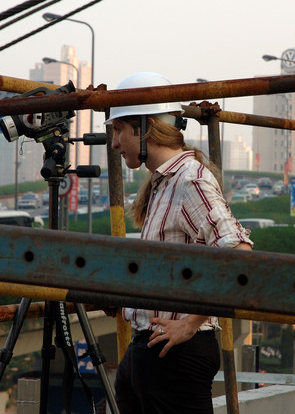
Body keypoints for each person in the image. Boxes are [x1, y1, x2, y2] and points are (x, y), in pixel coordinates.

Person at [105, 72, 253, 414]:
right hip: (150, 350)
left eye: (119, 130)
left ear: (145, 128)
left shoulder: (190, 181)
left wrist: (189, 324)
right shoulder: (163, 183)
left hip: (174, 355)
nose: (114, 143)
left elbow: (239, 257)